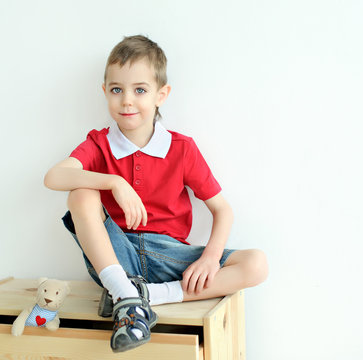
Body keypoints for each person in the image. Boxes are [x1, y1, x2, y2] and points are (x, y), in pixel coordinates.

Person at [44, 35, 268, 353]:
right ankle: (124, 289)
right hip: (115, 256)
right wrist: (113, 182)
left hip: (169, 258)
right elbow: (54, 177)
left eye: (140, 90)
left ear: (161, 95)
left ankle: (139, 298)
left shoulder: (182, 148)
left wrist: (208, 258)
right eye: (117, 90)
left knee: (257, 264)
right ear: (105, 92)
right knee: (80, 194)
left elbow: (222, 209)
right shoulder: (98, 144)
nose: (127, 101)